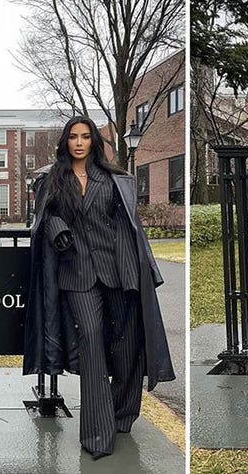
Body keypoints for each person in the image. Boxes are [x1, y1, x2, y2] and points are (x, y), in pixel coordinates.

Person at [22, 116, 175, 458]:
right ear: (66, 142)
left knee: (126, 345)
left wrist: (139, 270)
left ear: (94, 142)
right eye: (73, 137)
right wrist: (58, 227)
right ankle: (96, 436)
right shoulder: (53, 180)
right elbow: (43, 217)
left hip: (118, 271)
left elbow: (130, 226)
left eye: (85, 136)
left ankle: (122, 414)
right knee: (90, 341)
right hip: (76, 273)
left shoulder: (113, 178)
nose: (79, 142)